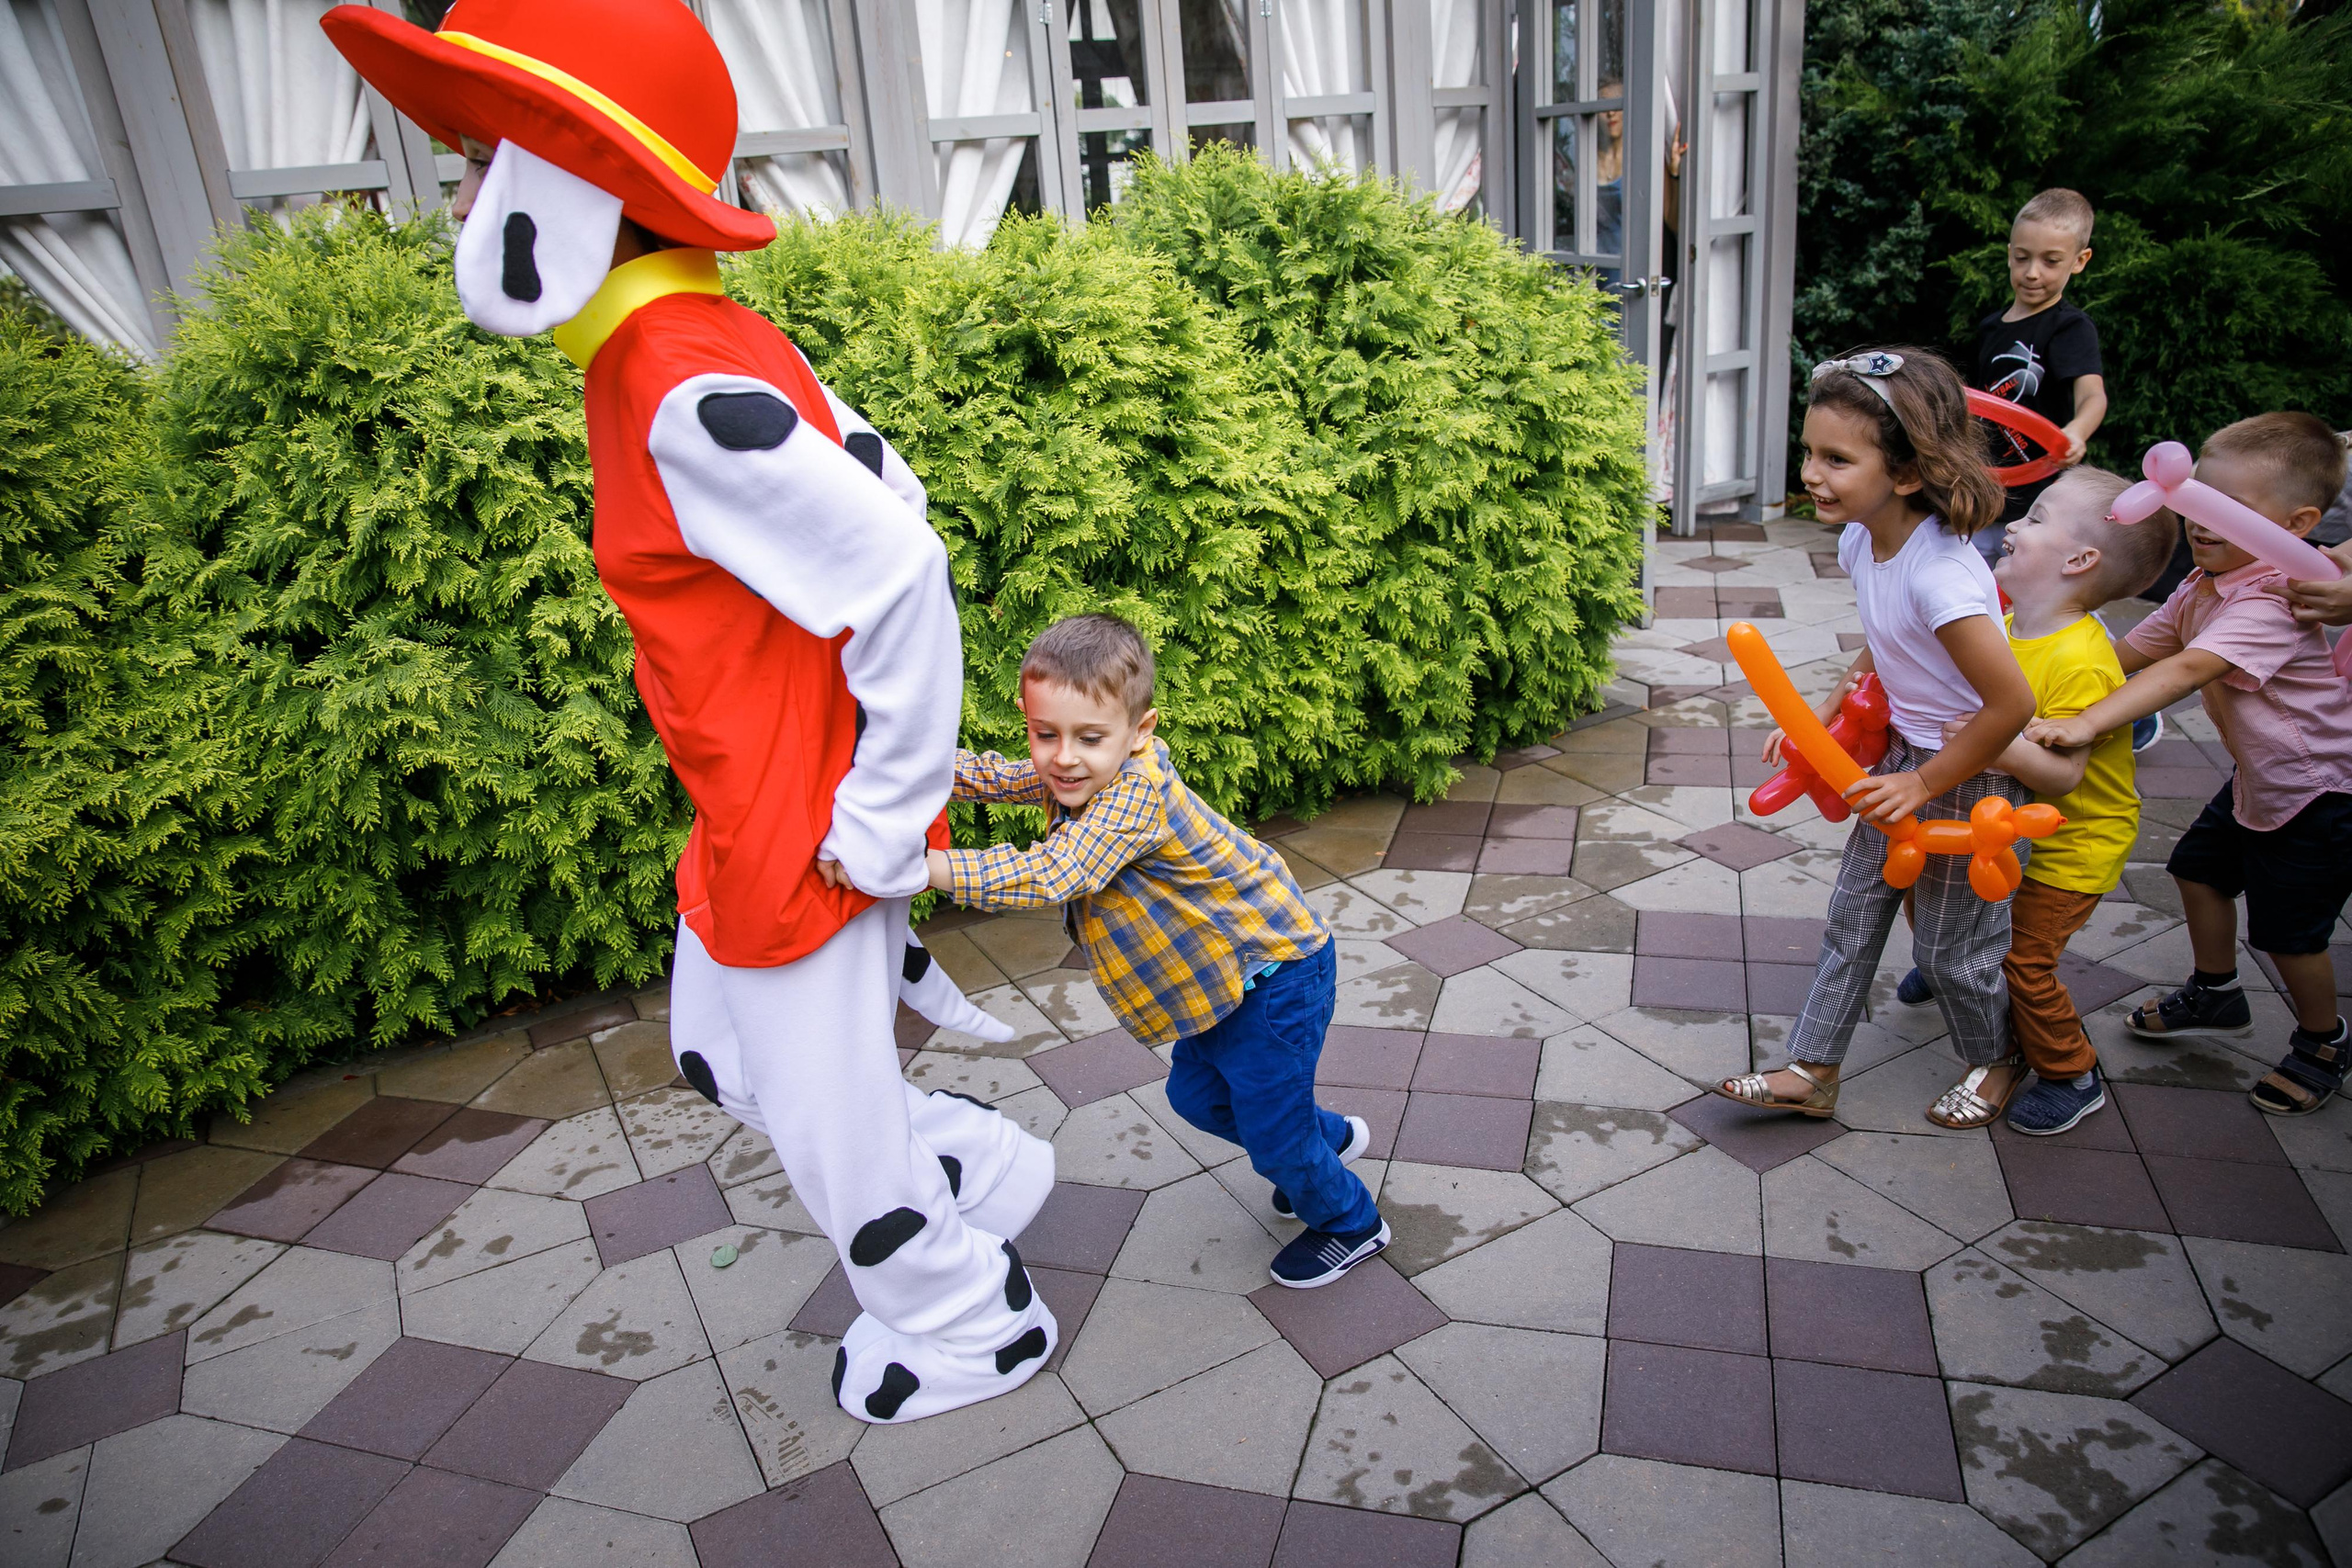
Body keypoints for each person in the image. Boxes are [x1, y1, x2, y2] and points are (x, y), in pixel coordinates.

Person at [321, 0, 1060, 1425]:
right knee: (727, 1058)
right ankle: (968, 1167)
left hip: (803, 824)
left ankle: (973, 1319)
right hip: (756, 800)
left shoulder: (672, 381)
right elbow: (882, 485)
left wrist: (882, 809)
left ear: (571, 181)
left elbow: (901, 562)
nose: (462, 197)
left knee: (831, 1127)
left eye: (482, 161)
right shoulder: (682, 347)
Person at [929, 615, 1386, 1287]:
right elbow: (1000, 776)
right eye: (1043, 734)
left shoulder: (1134, 792)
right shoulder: (1077, 770)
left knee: (1273, 1135)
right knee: (1197, 1097)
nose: (1061, 756)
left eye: (1088, 737)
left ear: (1138, 731)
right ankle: (1321, 1141)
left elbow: (1055, 871)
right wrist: (921, 768)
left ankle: (1349, 1220)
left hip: (1277, 979)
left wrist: (926, 869)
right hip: (1225, 990)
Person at [1716, 348, 2037, 1123]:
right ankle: (1813, 1068)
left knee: (1951, 952)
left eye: (1836, 458)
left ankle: (1997, 1058)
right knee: (1852, 917)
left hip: (1972, 782)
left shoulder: (1944, 576)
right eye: (1809, 452)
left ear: (1903, 473)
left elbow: (2011, 704)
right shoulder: (1862, 539)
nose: (1813, 473)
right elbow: (1887, 643)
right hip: (1901, 764)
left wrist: (1924, 782)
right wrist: (1825, 713)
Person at [2027, 412, 2352, 1116]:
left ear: (2294, 524)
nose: (2201, 521)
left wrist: (2084, 720)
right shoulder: (2204, 583)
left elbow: (2188, 667)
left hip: (2318, 795)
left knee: (2291, 937)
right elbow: (2132, 652)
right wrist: (2049, 688)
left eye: (2228, 509)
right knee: (2197, 871)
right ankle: (2216, 990)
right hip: (2258, 782)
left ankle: (2322, 1041)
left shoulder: (2274, 598)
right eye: (2198, 496)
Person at [1965, 468, 2177, 1132]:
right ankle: (1965, 970)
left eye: (2036, 519)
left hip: (2074, 844)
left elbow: (2062, 777)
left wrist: (1985, 736)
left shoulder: (2081, 658)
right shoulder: (2005, 621)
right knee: (1964, 913)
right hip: (2012, 831)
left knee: (2026, 961)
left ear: (2080, 559)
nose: (2015, 526)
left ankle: (2069, 1070)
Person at [1970, 188, 2109, 570]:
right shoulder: (1988, 329)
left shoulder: (2070, 328)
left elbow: (2093, 396)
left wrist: (2077, 431)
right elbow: (1973, 404)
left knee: (2031, 594)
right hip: (1984, 492)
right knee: (1971, 590)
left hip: (2038, 502)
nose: (2033, 272)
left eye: (2051, 261)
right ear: (2010, 252)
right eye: (2022, 258)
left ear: (2079, 261)